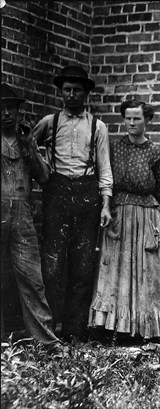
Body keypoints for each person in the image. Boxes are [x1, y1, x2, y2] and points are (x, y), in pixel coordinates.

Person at [33, 65, 112, 342]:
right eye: (67, 90)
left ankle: (74, 331)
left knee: (82, 264)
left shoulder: (97, 127)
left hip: (87, 193)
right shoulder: (49, 122)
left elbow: (105, 169)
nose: (72, 95)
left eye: (77, 90)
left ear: (86, 93)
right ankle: (49, 328)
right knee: (52, 264)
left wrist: (105, 204)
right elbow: (29, 148)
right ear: (61, 92)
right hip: (57, 193)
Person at [89, 100, 160, 340]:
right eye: (128, 118)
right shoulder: (115, 147)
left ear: (147, 120)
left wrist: (145, 207)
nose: (132, 123)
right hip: (119, 213)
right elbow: (105, 176)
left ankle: (144, 328)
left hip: (145, 214)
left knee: (146, 269)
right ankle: (112, 327)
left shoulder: (155, 152)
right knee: (116, 266)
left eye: (137, 118)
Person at [1, 83, 65, 355]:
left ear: (18, 111)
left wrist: (30, 146)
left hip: (22, 214)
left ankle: (47, 342)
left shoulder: (26, 140)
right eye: (1, 109)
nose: (6, 114)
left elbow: (45, 177)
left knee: (32, 278)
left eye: (11, 108)